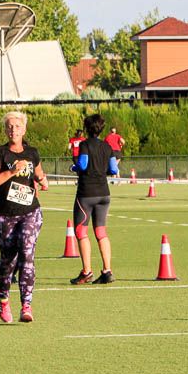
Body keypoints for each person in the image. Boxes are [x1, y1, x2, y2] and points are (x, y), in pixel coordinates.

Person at [0, 111, 47, 323]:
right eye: (10, 127)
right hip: (5, 214)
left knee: (27, 253)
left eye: (17, 127)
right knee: (8, 260)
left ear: (24, 130)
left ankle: (26, 304)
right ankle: (3, 298)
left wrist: (43, 180)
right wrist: (11, 172)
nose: (14, 130)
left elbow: (38, 174)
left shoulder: (32, 153)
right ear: (5, 130)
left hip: (30, 211)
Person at [70, 113, 117, 285]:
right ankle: (107, 270)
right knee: (101, 231)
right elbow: (113, 169)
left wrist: (72, 166)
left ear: (87, 128)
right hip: (104, 193)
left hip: (86, 193)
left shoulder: (84, 145)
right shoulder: (107, 147)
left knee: (81, 231)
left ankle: (87, 271)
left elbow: (82, 164)